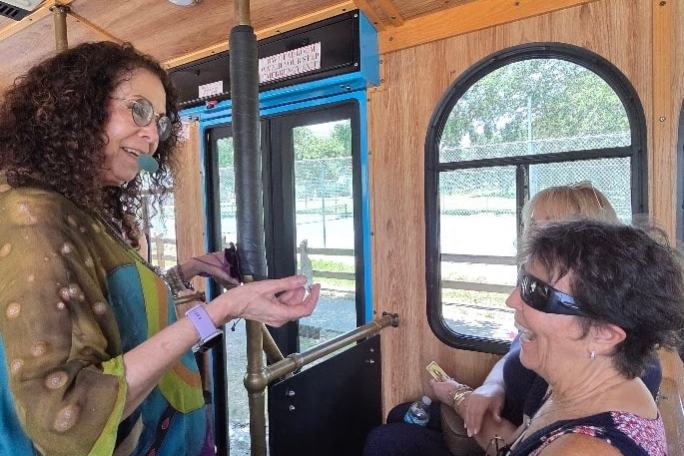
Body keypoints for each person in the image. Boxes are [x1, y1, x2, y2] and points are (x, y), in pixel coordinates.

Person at [0, 41, 320, 456]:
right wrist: (227, 308)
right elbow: (67, 417)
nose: (152, 135)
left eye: (160, 122)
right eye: (138, 110)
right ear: (77, 107)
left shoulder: (86, 211)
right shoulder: (31, 216)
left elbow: (123, 312)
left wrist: (190, 274)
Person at [363, 183, 662, 456]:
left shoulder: (588, 445)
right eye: (534, 225)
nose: (511, 300)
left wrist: (457, 395)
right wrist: (488, 389)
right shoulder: (577, 376)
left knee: (387, 441)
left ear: (604, 333)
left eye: (537, 292)